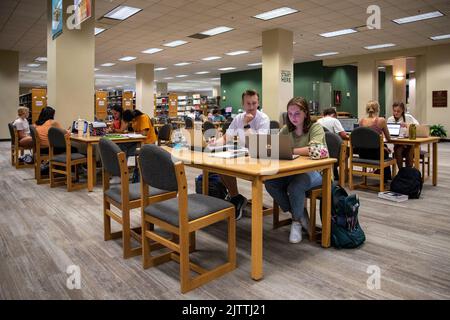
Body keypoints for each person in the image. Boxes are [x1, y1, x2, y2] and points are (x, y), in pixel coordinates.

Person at [265, 97, 327, 244]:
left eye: (297, 113)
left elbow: (317, 150)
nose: (293, 117)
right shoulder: (286, 129)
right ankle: (298, 213)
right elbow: (276, 147)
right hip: (293, 172)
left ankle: (296, 222)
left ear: (305, 113)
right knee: (270, 182)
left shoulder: (315, 127)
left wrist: (291, 149)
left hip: (318, 172)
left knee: (296, 186)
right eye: (290, 114)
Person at [209, 89, 270, 220]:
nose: (252, 107)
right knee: (220, 165)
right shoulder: (238, 118)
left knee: (227, 166)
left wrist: (246, 125)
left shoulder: (263, 119)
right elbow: (226, 138)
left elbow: (257, 143)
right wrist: (215, 143)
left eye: (254, 103)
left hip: (259, 157)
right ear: (243, 104)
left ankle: (236, 199)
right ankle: (236, 197)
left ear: (258, 103)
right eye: (248, 103)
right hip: (243, 155)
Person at [358, 100, 392, 181]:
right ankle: (386, 178)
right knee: (385, 151)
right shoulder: (381, 120)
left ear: (367, 109)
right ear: (377, 109)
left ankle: (379, 172)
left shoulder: (361, 121)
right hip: (377, 154)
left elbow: (364, 139)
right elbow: (389, 139)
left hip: (362, 153)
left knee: (384, 148)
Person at [387, 102, 419, 168]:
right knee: (397, 150)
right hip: (398, 143)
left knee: (409, 152)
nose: (396, 113)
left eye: (398, 111)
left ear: (402, 111)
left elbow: (417, 126)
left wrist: (407, 125)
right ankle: (401, 171)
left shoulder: (408, 117)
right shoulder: (390, 119)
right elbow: (388, 132)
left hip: (409, 143)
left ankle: (408, 171)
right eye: (394, 111)